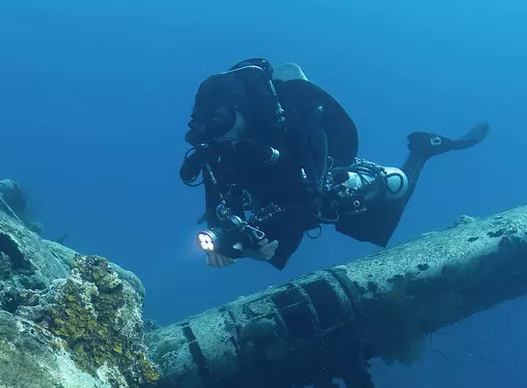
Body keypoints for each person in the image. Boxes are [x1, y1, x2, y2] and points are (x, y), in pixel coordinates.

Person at [179, 58, 488, 269]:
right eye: (208, 124)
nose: (217, 133)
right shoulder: (218, 147)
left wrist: (265, 246)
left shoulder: (287, 125)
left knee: (388, 195)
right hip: (278, 188)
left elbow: (306, 201)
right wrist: (230, 246)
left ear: (242, 109)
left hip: (316, 171)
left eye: (222, 120)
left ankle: (423, 151)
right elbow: (221, 215)